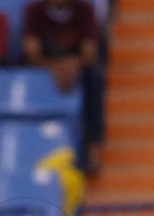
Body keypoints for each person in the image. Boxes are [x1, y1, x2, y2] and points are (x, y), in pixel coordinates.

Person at [22, 0, 106, 174]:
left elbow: (89, 52)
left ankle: (92, 149)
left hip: (77, 66)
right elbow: (31, 51)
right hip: (45, 66)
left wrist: (73, 64)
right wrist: (54, 66)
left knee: (94, 78)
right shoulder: (34, 11)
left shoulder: (84, 10)